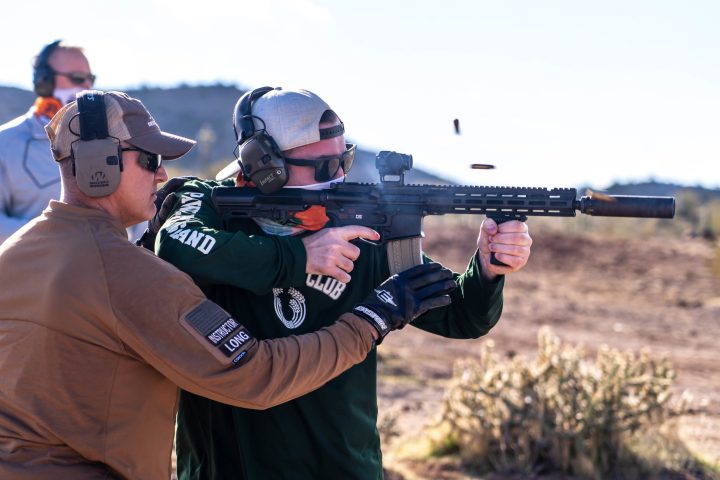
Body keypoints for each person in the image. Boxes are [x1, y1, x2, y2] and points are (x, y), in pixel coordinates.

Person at [0, 90, 457, 480]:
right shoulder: (128, 273)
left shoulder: (14, 254)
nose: (162, 175)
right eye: (151, 160)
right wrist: (371, 320)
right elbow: (254, 375)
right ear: (100, 167)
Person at [153, 87, 533, 479]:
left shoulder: (362, 229)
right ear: (264, 164)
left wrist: (488, 269)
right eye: (322, 166)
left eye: (344, 159)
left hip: (341, 467)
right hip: (229, 466)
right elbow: (176, 244)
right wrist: (300, 258)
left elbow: (463, 316)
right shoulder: (208, 204)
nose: (338, 176)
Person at [0, 40, 95, 243]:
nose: (87, 86)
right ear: (44, 81)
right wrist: (58, 234)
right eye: (77, 78)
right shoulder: (4, 143)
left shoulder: (110, 138)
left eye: (90, 79)